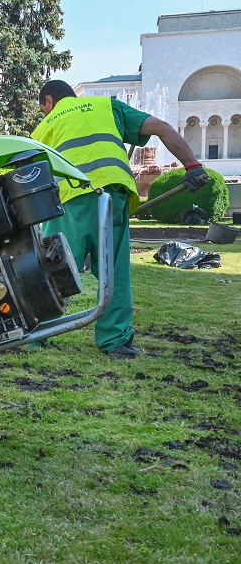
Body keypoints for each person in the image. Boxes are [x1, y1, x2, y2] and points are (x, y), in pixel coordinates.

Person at [32, 80, 210, 358]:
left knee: (54, 268)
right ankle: (115, 340)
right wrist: (193, 165)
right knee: (113, 269)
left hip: (70, 199)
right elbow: (162, 128)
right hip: (112, 195)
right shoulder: (107, 105)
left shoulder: (43, 128)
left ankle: (33, 335)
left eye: (42, 108)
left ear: (49, 102)